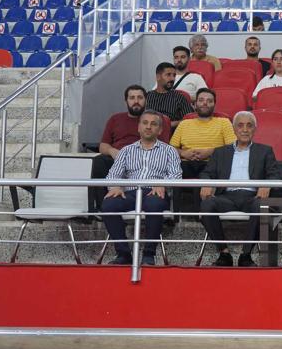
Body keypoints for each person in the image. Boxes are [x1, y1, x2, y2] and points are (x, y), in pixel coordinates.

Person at [199, 111, 282, 267]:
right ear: (234, 129)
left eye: (249, 126)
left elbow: (275, 175)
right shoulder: (220, 152)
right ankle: (224, 253)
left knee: (261, 206)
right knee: (206, 205)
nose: (245, 129)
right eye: (240, 125)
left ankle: (246, 255)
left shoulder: (265, 151)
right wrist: (207, 182)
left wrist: (267, 184)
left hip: (252, 197)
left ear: (255, 129)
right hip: (227, 197)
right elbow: (206, 173)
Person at [101, 110, 182, 266]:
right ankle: (123, 254)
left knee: (154, 204)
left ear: (160, 130)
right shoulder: (126, 151)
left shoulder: (170, 151)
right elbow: (113, 175)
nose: (148, 127)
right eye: (145, 123)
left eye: (153, 124)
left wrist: (162, 184)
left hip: (155, 192)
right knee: (109, 205)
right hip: (130, 193)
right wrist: (115, 186)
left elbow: (176, 175)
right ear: (138, 127)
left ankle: (148, 254)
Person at [92, 85, 172, 211]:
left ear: (146, 100)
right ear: (126, 101)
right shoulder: (115, 119)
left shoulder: (155, 121)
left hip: (147, 157)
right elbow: (103, 146)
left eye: (140, 97)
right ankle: (102, 206)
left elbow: (163, 147)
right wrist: (112, 151)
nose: (136, 101)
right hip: (117, 157)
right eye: (132, 98)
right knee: (99, 161)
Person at [169, 88, 237, 211]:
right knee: (175, 174)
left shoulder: (224, 122)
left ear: (214, 104)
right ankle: (175, 215)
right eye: (201, 100)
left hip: (212, 164)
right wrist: (183, 153)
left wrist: (210, 152)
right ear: (194, 104)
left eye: (209, 101)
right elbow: (171, 148)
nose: (205, 103)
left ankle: (199, 216)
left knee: (203, 177)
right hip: (185, 162)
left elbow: (232, 147)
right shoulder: (184, 123)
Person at [146, 62, 193, 128]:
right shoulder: (147, 96)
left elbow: (189, 120)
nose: (172, 79)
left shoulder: (179, 98)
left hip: (171, 132)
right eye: (168, 75)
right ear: (158, 77)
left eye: (174, 75)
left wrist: (170, 124)